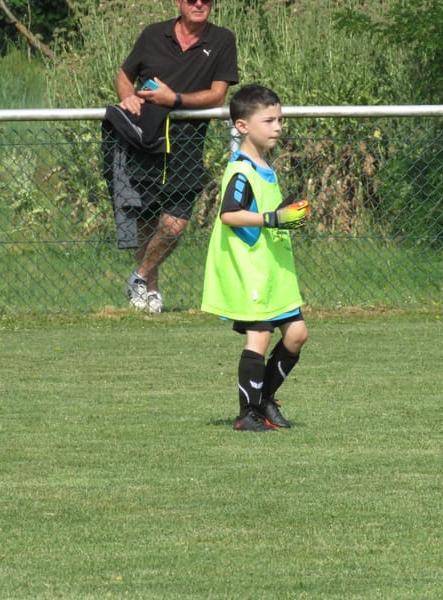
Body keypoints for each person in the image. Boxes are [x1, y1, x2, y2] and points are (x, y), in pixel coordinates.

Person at [114, 0, 238, 312]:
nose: (200, 4)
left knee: (174, 225)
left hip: (187, 143)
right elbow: (123, 75)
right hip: (146, 139)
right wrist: (127, 97)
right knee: (145, 218)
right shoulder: (153, 34)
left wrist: (174, 99)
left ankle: (138, 277)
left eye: (206, 0)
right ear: (178, 3)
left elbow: (217, 94)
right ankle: (149, 290)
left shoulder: (222, 39)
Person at [201, 84, 311, 432]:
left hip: (273, 270)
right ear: (242, 125)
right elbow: (230, 215)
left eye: (280, 119)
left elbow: (263, 211)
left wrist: (285, 213)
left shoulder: (265, 166)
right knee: (260, 338)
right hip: (249, 271)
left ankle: (264, 400)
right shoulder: (241, 171)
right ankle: (247, 414)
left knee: (296, 334)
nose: (277, 126)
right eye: (268, 120)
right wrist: (271, 218)